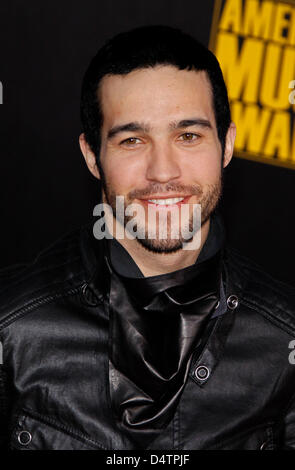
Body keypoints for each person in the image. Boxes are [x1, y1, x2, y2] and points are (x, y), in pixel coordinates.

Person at [0, 25, 295, 451]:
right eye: (133, 140)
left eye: (188, 136)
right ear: (92, 156)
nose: (162, 171)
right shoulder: (11, 328)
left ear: (226, 145)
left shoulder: (283, 338)